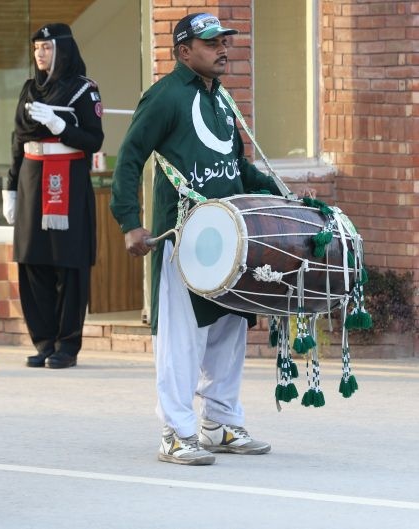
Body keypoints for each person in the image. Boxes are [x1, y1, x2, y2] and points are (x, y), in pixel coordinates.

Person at [110, 13, 279, 465]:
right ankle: (176, 431)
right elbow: (128, 159)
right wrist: (129, 222)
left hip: (229, 238)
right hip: (181, 238)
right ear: (184, 51)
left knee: (228, 329)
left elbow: (237, 168)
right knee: (182, 339)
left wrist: (278, 193)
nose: (222, 48)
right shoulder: (164, 98)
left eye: (224, 41)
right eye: (210, 43)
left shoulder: (222, 100)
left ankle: (220, 424)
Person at [2, 23, 104, 369]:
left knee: (68, 264)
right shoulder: (29, 89)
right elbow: (17, 140)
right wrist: (10, 188)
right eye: (36, 49)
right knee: (34, 262)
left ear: (62, 49)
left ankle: (67, 344)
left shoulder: (83, 90)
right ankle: (44, 341)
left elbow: (94, 140)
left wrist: (63, 128)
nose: (39, 54)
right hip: (32, 180)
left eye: (46, 47)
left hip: (69, 181)